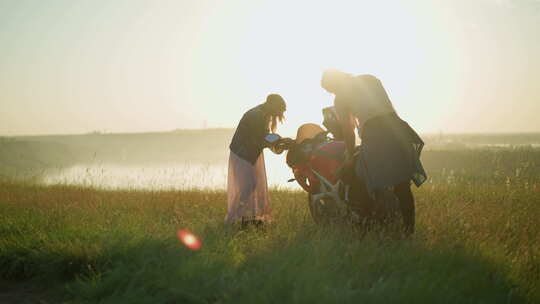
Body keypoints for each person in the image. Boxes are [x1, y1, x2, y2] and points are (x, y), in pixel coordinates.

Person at [321, 69, 427, 234]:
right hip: (396, 128)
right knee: (402, 184)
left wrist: (349, 155)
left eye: (330, 90)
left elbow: (348, 131)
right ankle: (408, 230)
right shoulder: (370, 79)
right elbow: (389, 107)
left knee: (363, 177)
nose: (332, 93)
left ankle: (368, 226)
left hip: (375, 133)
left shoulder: (340, 98)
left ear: (332, 84)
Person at [226, 94, 287, 227]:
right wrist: (277, 140)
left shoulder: (262, 114)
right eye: (278, 110)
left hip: (248, 152)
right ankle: (233, 217)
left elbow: (263, 137)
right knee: (249, 185)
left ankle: (245, 218)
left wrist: (278, 141)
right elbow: (260, 139)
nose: (278, 114)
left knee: (251, 184)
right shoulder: (257, 115)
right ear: (271, 105)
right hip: (243, 154)